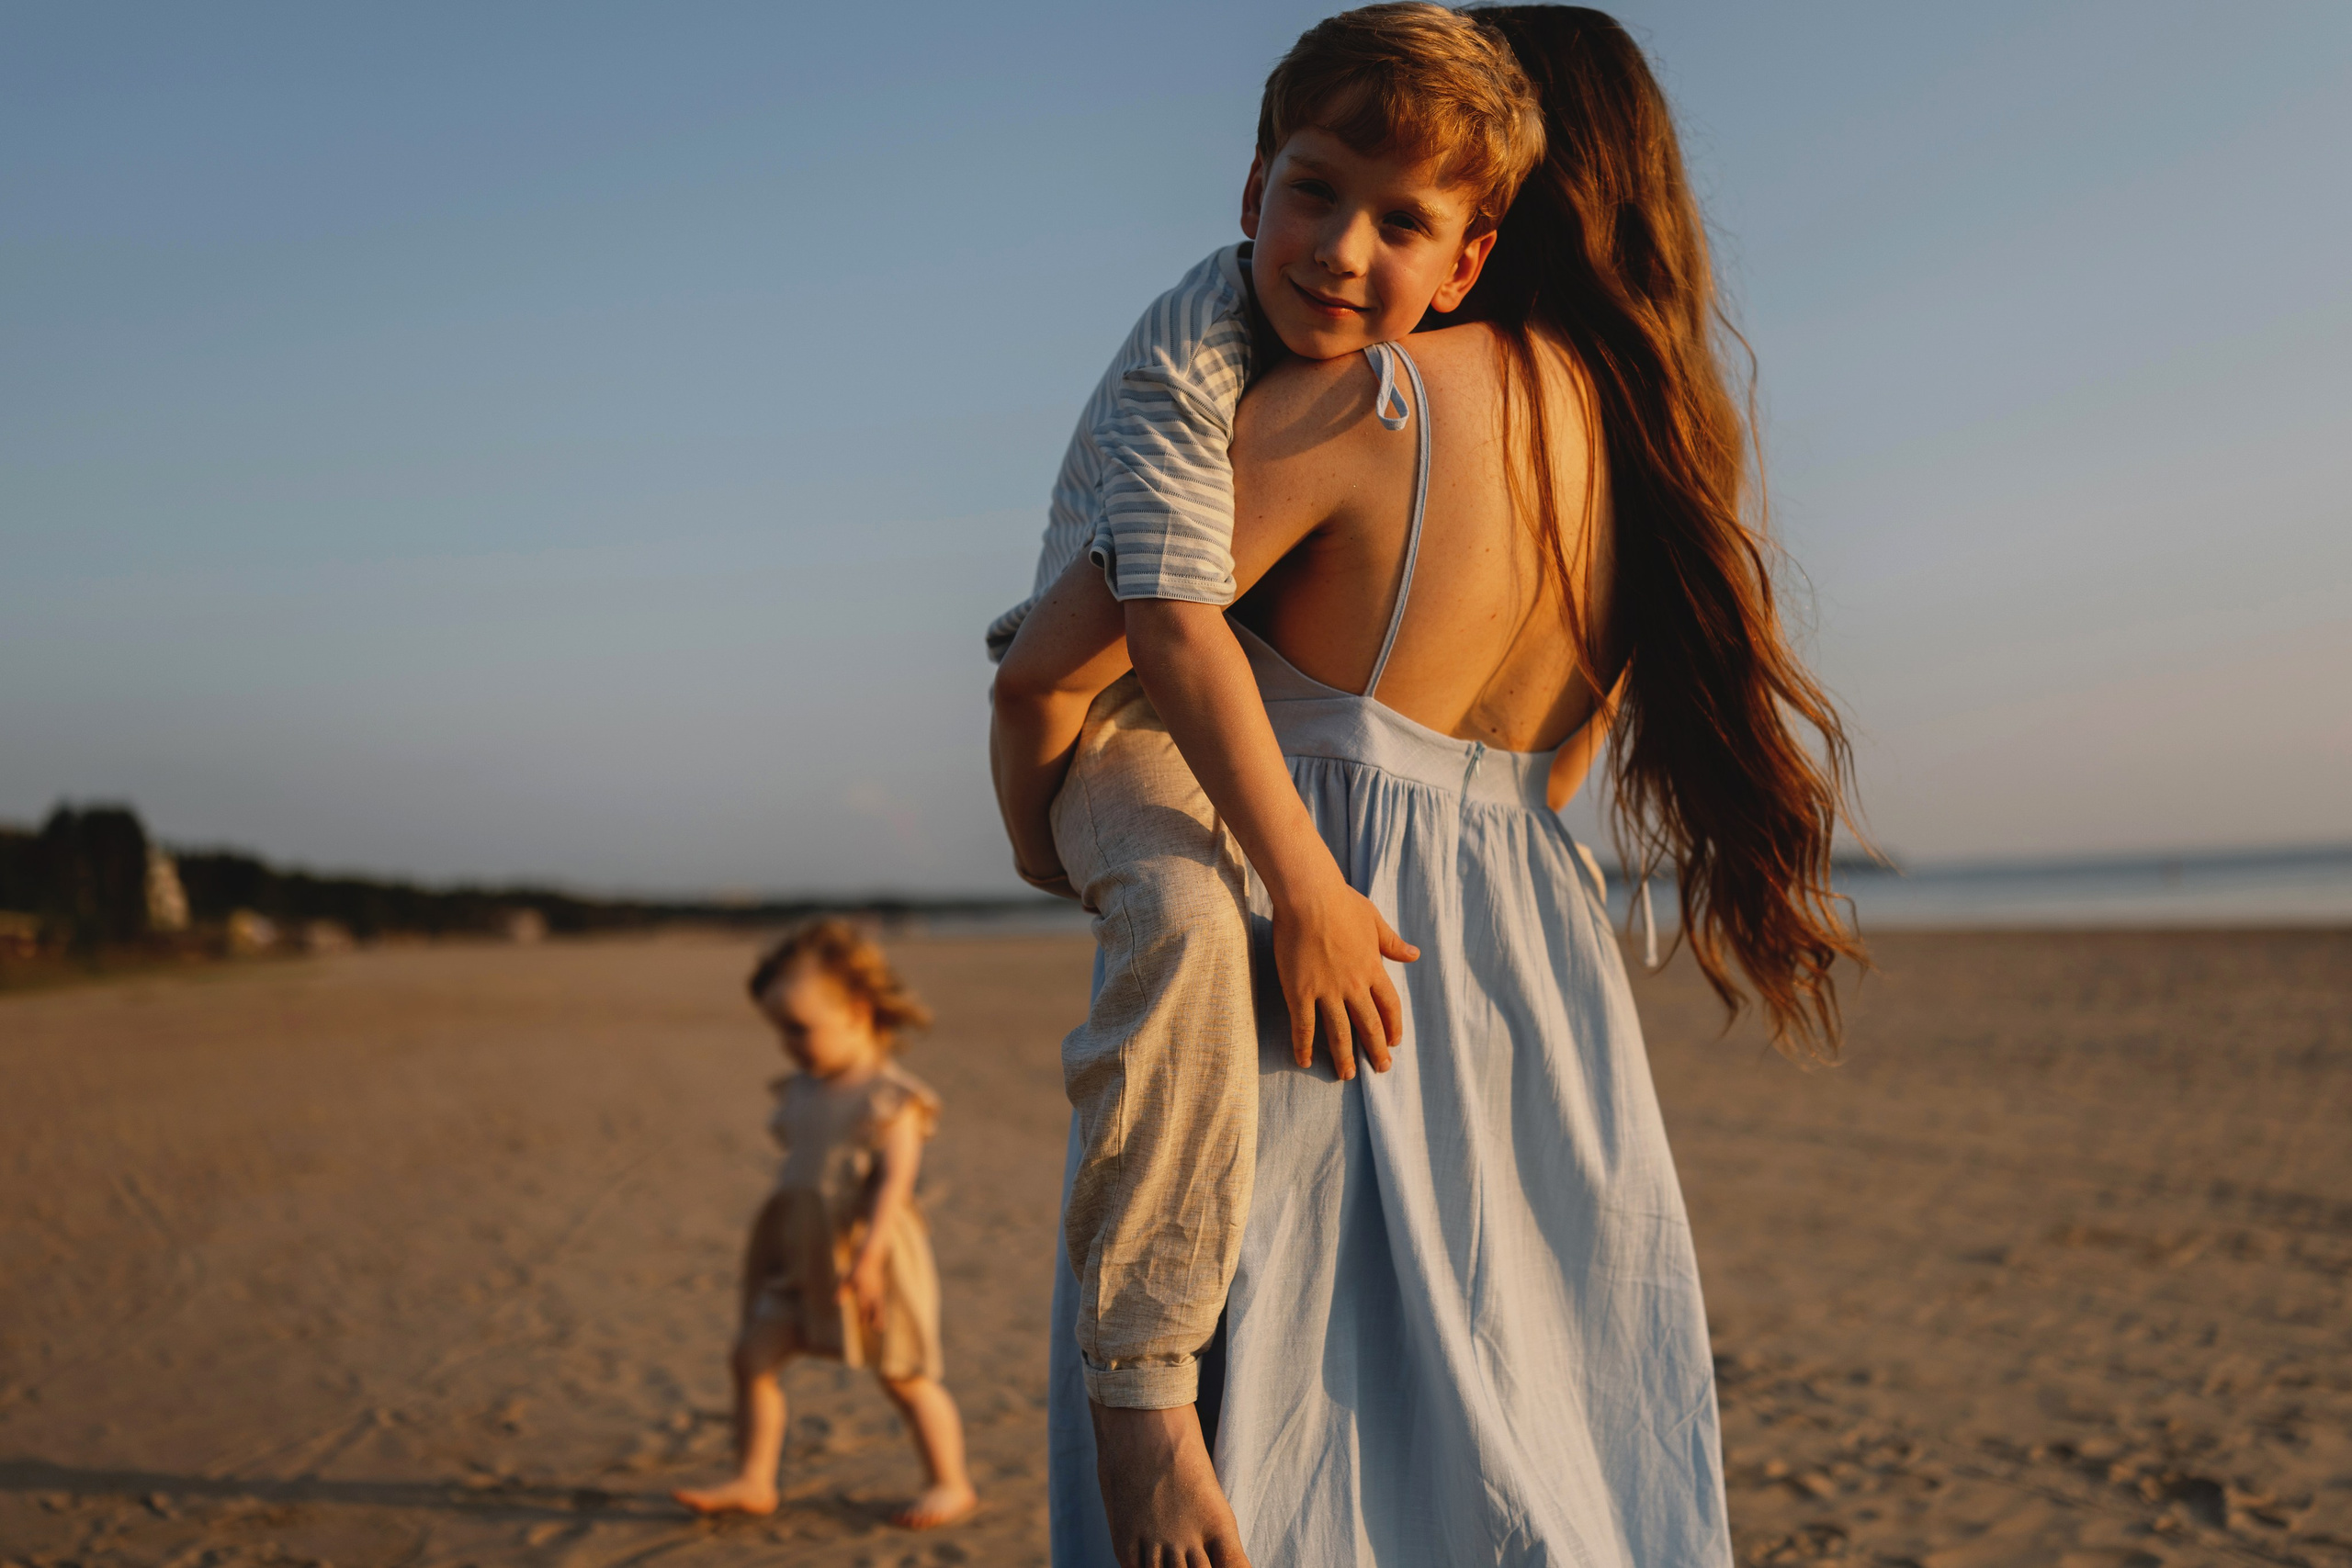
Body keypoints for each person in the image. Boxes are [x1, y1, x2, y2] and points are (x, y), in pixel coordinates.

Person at [1004, 6, 1868, 1563]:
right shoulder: (1656, 461)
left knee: (1284, 1463)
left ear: (1502, 206)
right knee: (1540, 1460)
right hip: (1529, 984)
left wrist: (1066, 829)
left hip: (1314, 961)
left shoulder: (1371, 402)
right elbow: (1557, 769)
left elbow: (1063, 662)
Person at [988, 6, 1541, 1562]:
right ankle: (1144, 1394)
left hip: (1201, 686)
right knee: (1183, 923)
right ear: (1248, 195)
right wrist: (1305, 882)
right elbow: (1156, 630)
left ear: (1466, 265)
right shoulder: (1190, 365)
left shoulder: (1388, 378)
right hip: (1124, 707)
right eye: (1314, 192)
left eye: (1400, 222)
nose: (1341, 250)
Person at [673, 919, 977, 1530]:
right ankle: (755, 1478)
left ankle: (950, 1481)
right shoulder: (804, 1088)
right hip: (802, 1251)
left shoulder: (892, 1098)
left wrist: (866, 1259)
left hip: (874, 1255)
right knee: (752, 1355)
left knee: (904, 1376)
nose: (788, 1042)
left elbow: (893, 1185)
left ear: (858, 1009)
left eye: (800, 1027)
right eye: (779, 1027)